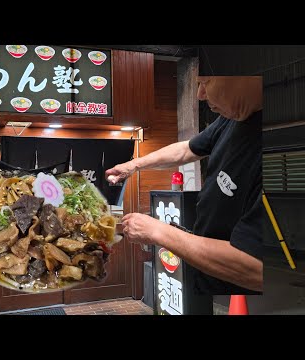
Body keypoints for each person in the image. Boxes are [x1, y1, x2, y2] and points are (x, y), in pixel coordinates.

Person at [106, 76, 263, 295]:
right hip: (208, 281)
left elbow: (255, 267)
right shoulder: (232, 117)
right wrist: (133, 165)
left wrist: (158, 232)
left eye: (206, 82)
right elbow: (187, 150)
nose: (200, 94)